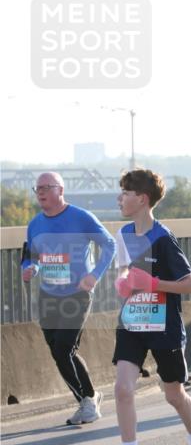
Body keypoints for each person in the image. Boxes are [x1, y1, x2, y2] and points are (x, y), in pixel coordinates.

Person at [107, 168, 191, 445]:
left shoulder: (163, 238)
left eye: (125, 192)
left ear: (143, 199)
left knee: (174, 394)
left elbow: (190, 284)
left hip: (164, 325)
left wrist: (152, 283)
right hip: (133, 321)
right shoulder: (122, 234)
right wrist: (123, 284)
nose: (120, 198)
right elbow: (123, 275)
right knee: (123, 389)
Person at [20, 172, 116, 425]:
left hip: (78, 293)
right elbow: (30, 256)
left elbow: (110, 245)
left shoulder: (81, 217)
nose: (40, 192)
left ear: (61, 191)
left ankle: (88, 402)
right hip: (48, 294)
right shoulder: (35, 224)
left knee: (64, 347)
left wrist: (94, 275)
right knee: (59, 351)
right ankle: (89, 398)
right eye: (37, 188)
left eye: (46, 187)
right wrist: (29, 269)